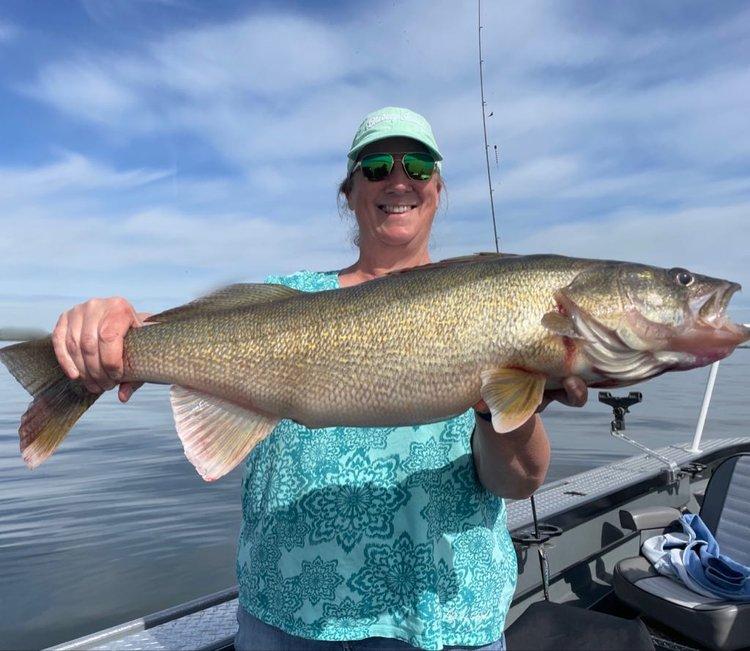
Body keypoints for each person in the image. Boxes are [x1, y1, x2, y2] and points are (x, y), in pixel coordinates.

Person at [51, 107, 587, 651]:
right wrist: (111, 332)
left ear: (438, 188)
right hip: (286, 618)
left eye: (418, 166)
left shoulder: (497, 303)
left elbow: (516, 483)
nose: (398, 179)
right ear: (349, 192)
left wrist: (502, 411)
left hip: (442, 622)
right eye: (376, 166)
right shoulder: (288, 295)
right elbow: (148, 333)